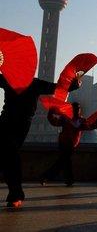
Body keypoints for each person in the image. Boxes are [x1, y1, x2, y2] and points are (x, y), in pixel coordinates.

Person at [0, 75, 80, 208]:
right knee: (8, 155)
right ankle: (16, 194)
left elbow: (56, 88)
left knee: (10, 153)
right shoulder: (9, 78)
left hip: (21, 124)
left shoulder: (34, 83)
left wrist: (72, 85)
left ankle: (16, 194)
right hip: (5, 120)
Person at [40, 102, 97, 186]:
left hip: (71, 143)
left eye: (78, 108)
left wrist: (95, 125)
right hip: (64, 142)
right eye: (75, 108)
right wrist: (50, 114)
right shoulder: (66, 118)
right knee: (65, 161)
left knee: (63, 161)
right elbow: (55, 122)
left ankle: (51, 177)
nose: (77, 110)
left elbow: (87, 127)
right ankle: (65, 179)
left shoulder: (81, 120)